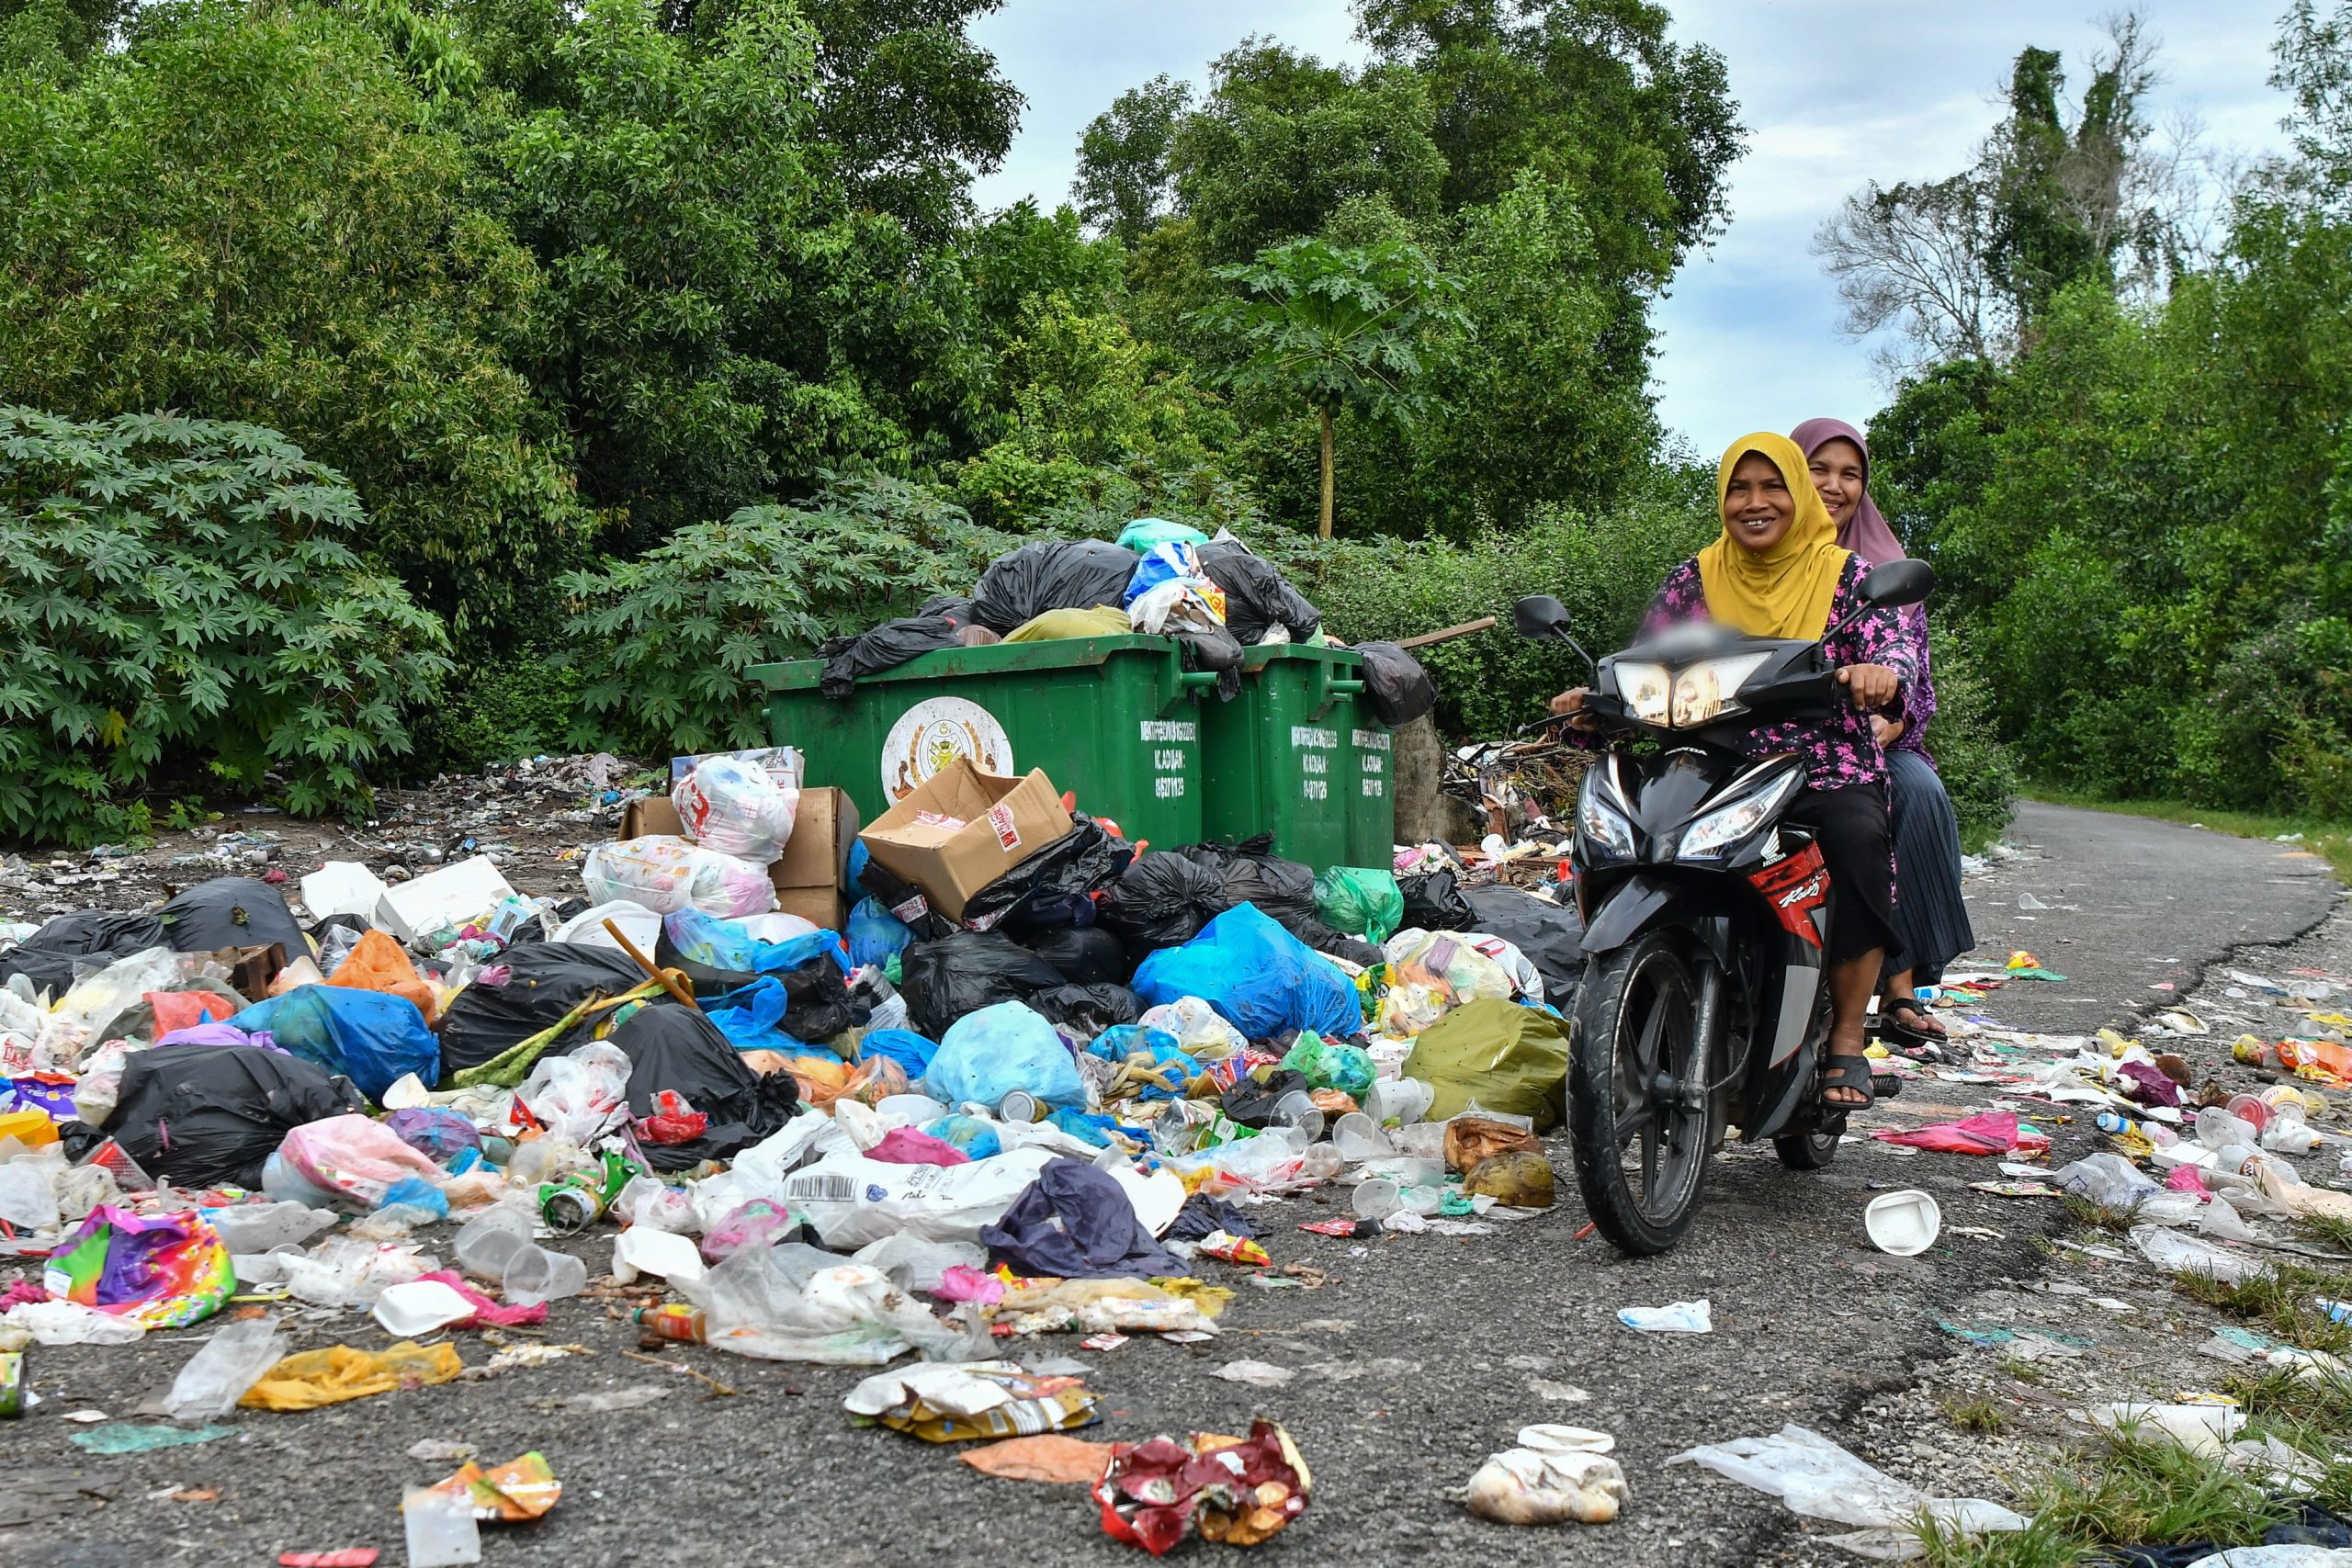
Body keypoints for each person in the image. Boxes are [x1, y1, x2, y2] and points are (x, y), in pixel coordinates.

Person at [1550, 434, 1915, 1108]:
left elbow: (1893, 644)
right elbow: (1647, 658)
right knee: (1629, 840)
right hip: (1710, 755)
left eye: (1772, 487)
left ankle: (1847, 1039)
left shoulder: (1849, 578)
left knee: (1858, 835)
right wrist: (1598, 702)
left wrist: (1879, 673)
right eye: (1738, 489)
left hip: (1818, 759)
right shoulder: (1694, 579)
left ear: (1797, 495)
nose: (1755, 503)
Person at [1793, 417, 1977, 1046]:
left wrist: (1885, 717)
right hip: (1768, 741)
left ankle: (1899, 984)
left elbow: (1915, 685)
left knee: (1911, 791)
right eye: (1818, 468)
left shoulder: (1883, 568)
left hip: (1873, 739)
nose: (1834, 485)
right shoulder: (1741, 561)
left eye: (1850, 474)